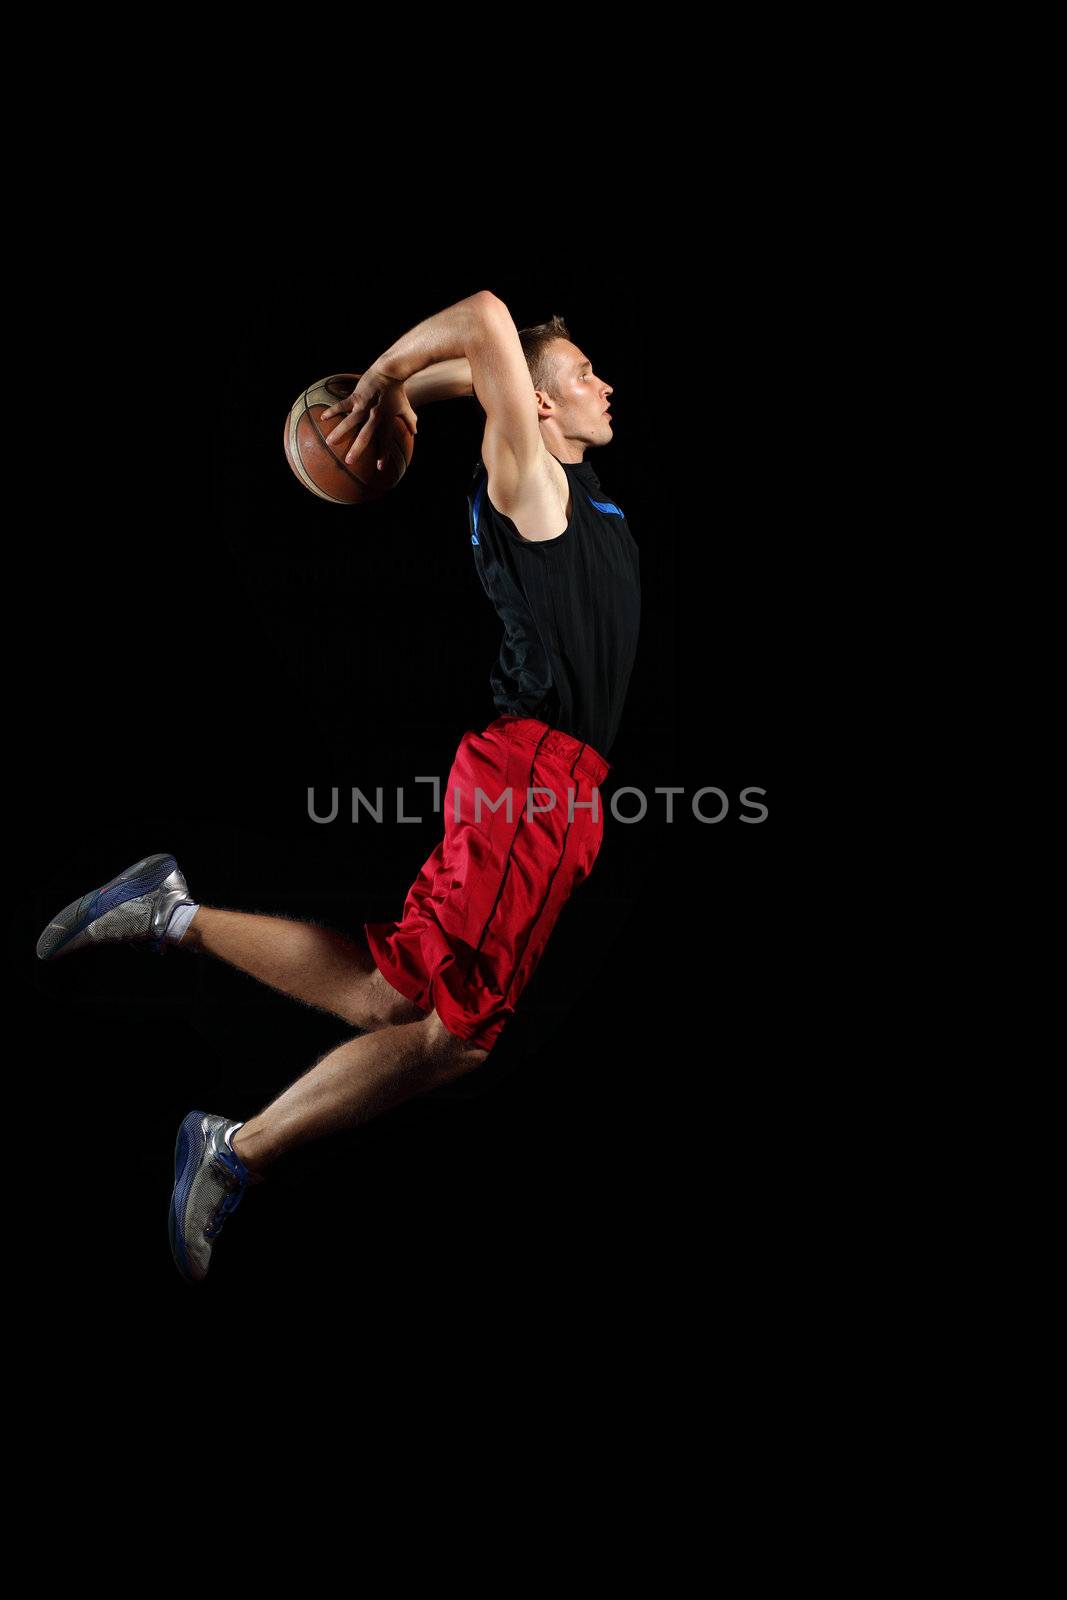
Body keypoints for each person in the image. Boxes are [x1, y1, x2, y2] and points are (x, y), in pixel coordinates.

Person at [35, 290, 641, 1283]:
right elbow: (487, 316)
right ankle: (235, 1145)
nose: (602, 384)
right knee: (444, 1022)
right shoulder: (531, 483)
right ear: (532, 405)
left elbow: (488, 371)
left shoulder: (576, 483)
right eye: (581, 373)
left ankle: (172, 925)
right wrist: (382, 380)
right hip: (528, 783)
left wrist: (415, 393)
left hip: (556, 792)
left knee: (415, 1013)